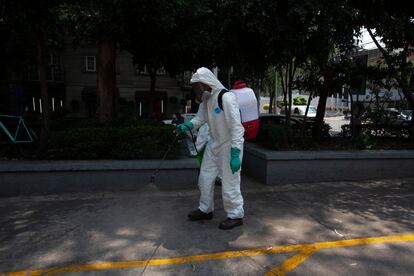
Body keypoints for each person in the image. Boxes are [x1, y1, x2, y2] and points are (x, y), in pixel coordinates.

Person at [176, 67, 245, 230]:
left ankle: (235, 215)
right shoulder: (206, 100)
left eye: (197, 86)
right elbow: (200, 119)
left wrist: (235, 152)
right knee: (204, 178)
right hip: (213, 145)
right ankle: (205, 209)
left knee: (230, 183)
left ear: (207, 83)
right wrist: (188, 125)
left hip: (229, 147)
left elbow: (237, 127)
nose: (196, 90)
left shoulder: (226, 98)